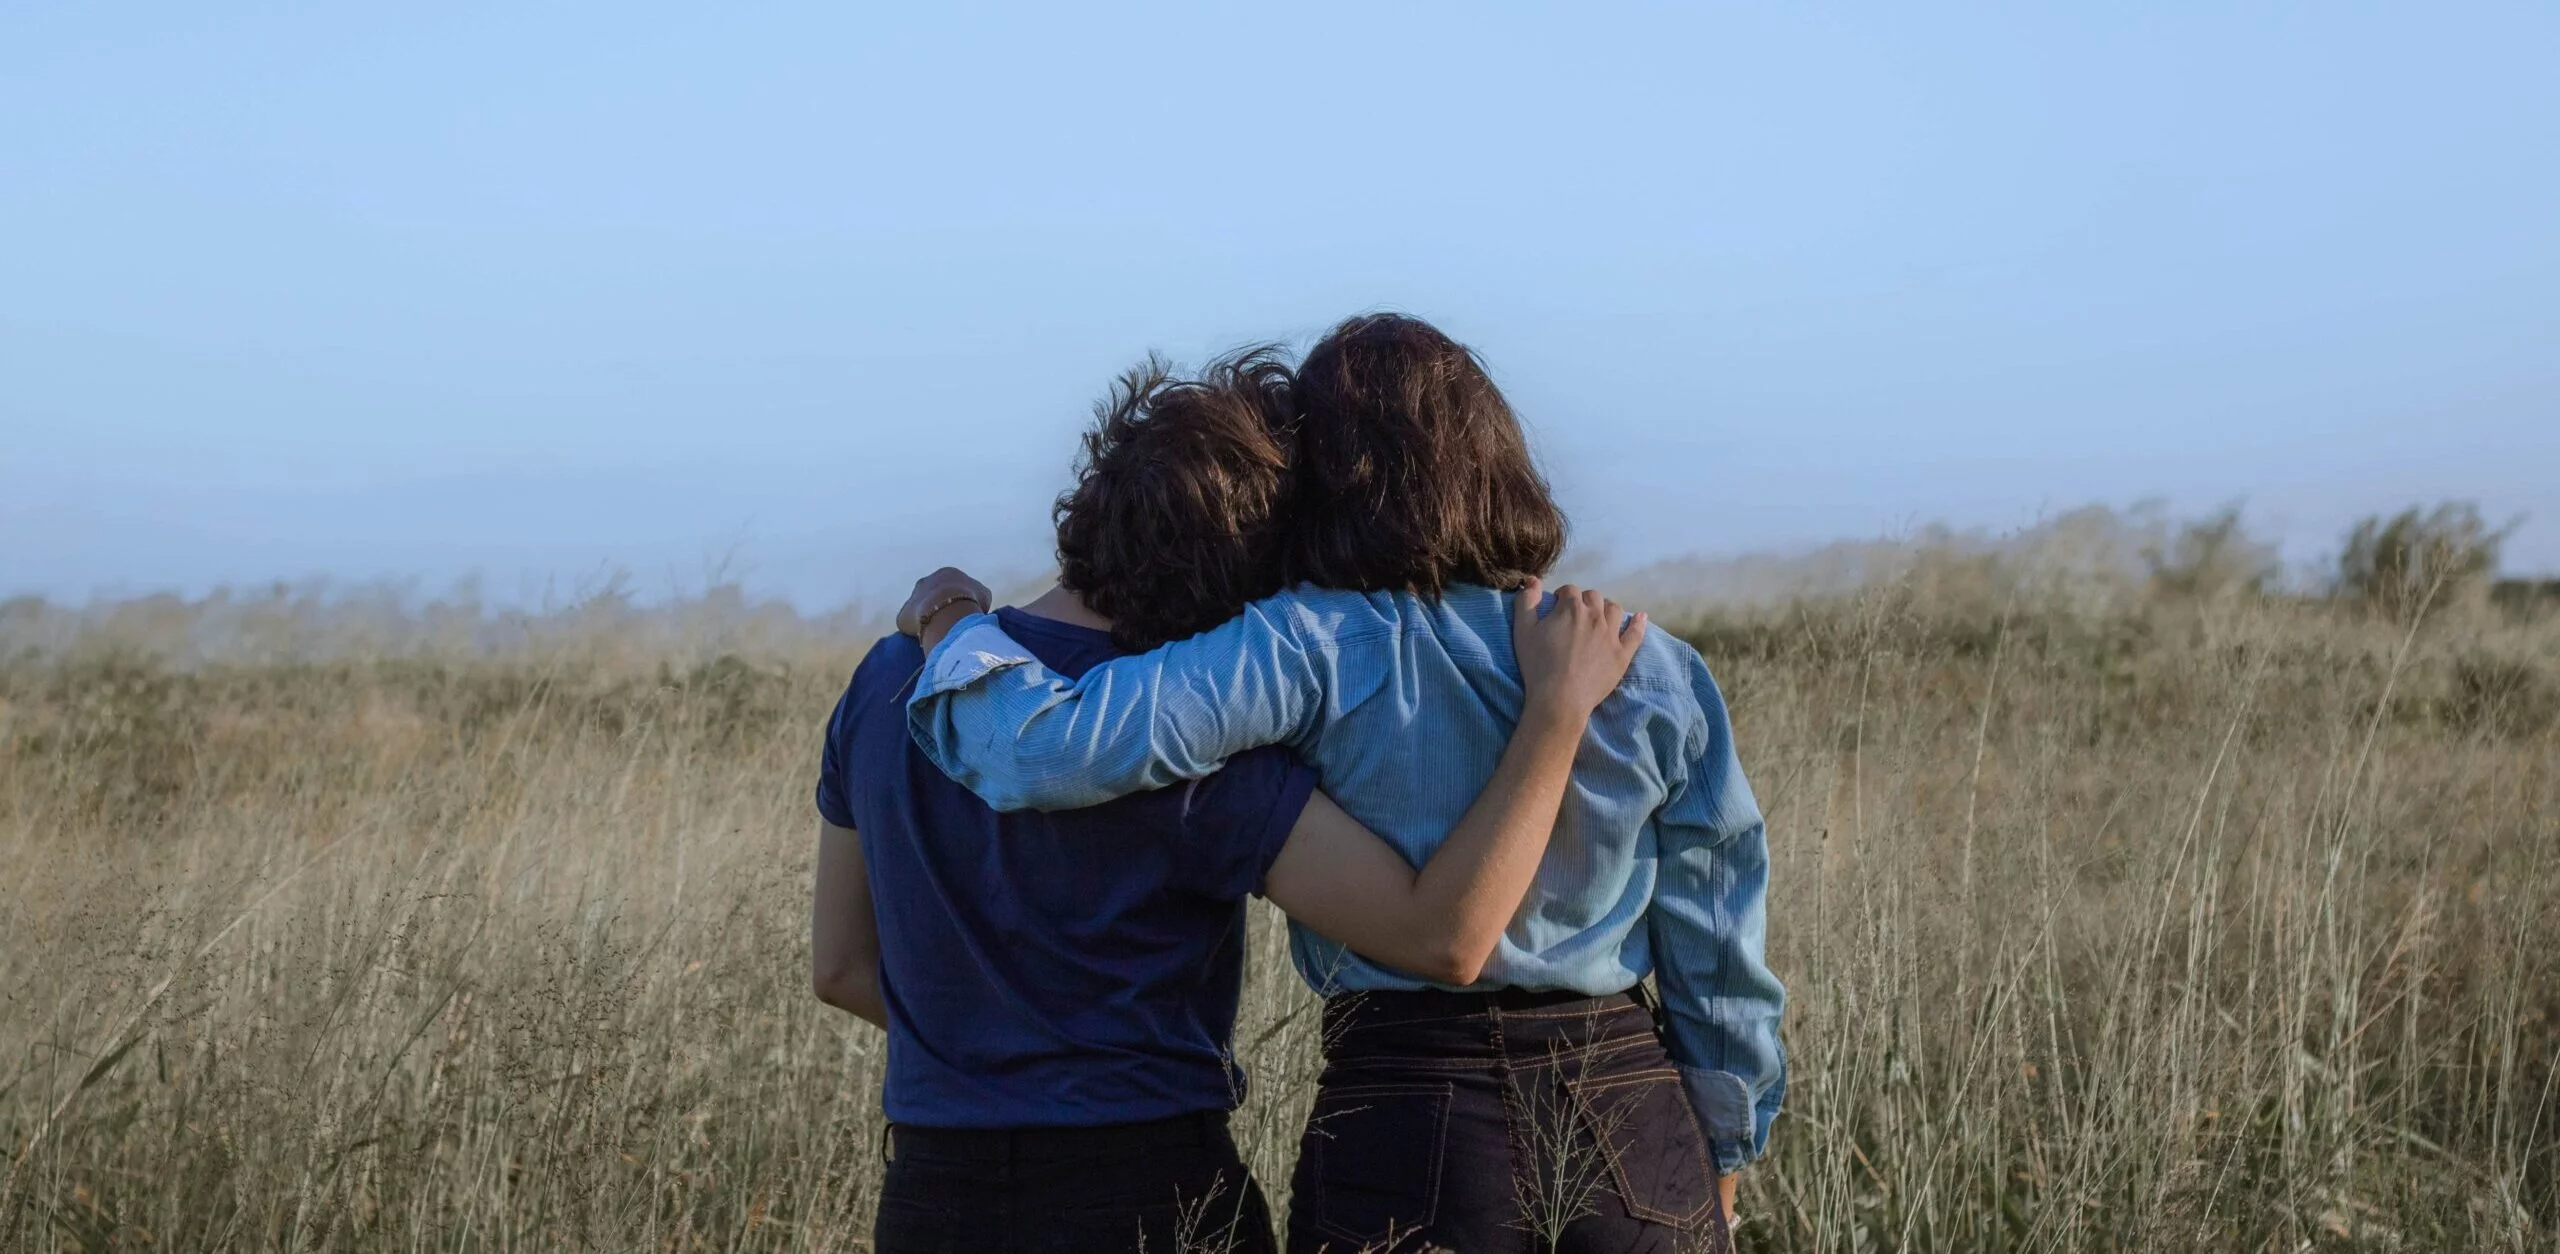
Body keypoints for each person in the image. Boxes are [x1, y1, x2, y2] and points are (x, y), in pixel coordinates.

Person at [903, 314, 1784, 1253]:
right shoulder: (1651, 668)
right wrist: (1723, 1151)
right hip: (1634, 1117)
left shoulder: (1307, 642)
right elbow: (1718, 948)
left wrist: (955, 621)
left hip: (1409, 1105)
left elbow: (1045, 749)